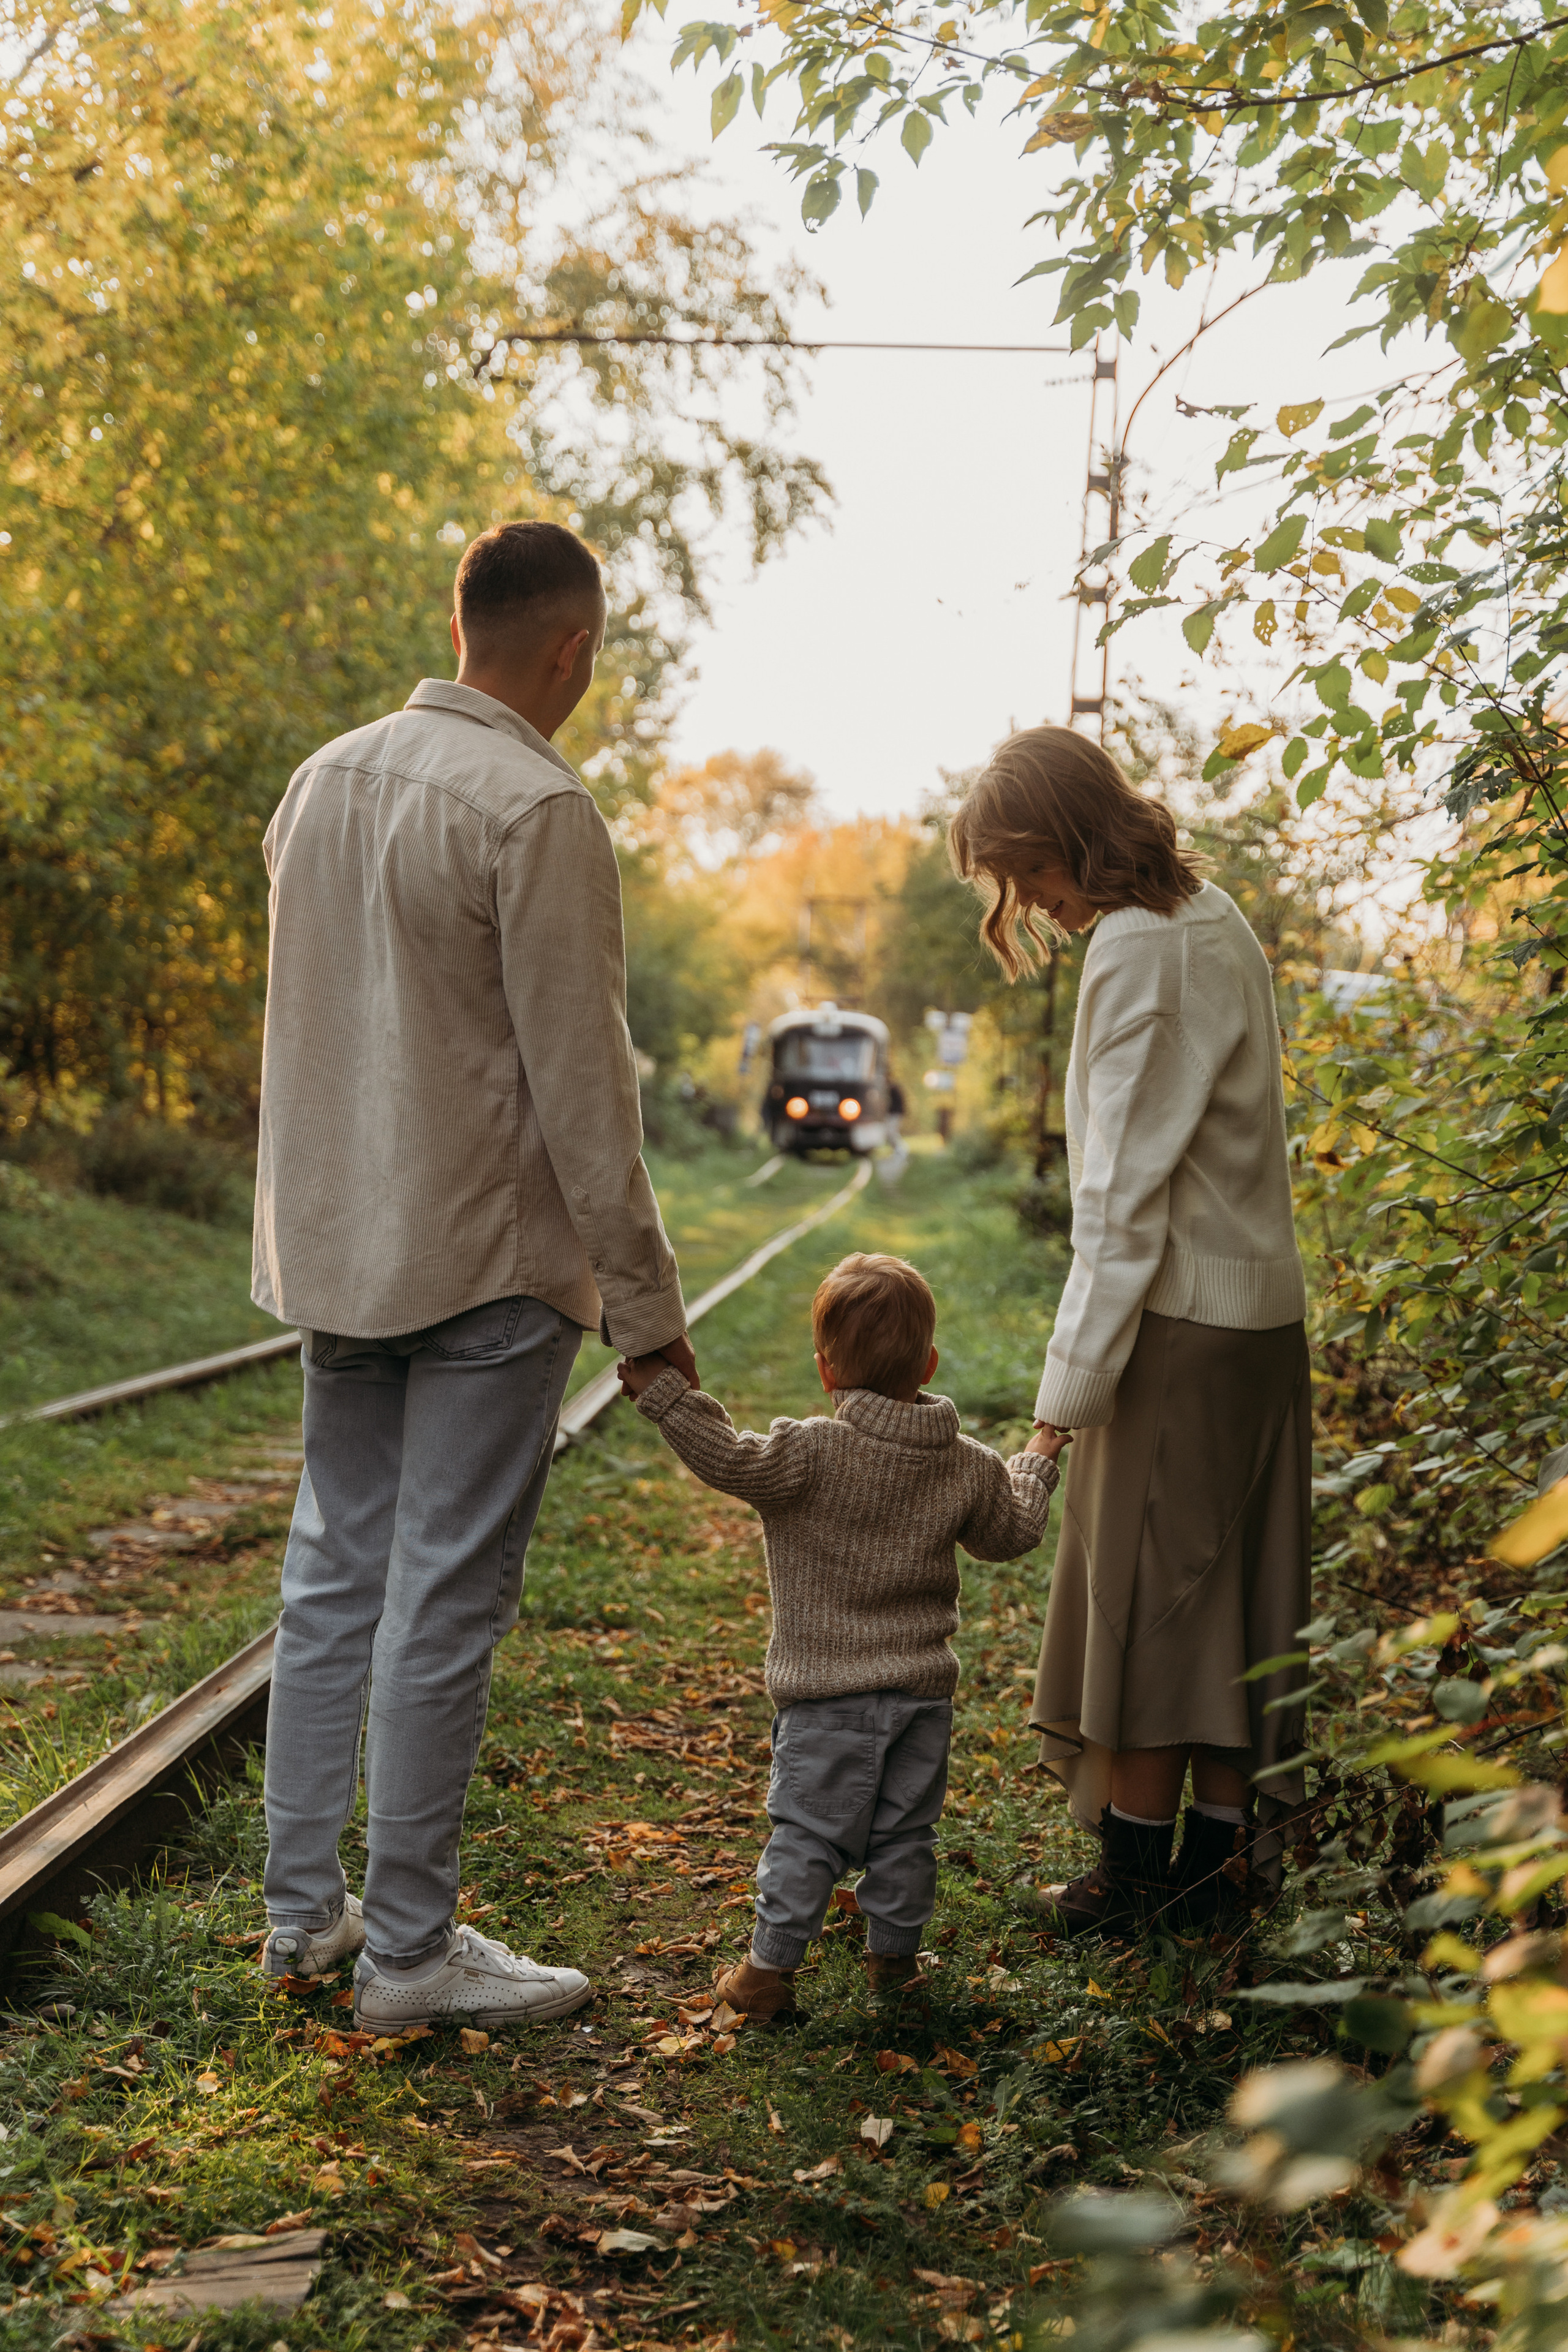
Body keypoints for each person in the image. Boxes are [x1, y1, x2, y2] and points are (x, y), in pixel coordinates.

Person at [253, 520, 696, 2030]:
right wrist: (644, 1308)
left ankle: (302, 1919)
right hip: (488, 1261)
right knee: (439, 1602)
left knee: (329, 1581)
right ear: (569, 646)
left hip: (341, 1249)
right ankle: (408, 1956)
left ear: (465, 625)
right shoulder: (536, 802)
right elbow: (585, 1088)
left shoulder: (320, 782)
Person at [949, 726, 1309, 1937]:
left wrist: (1064, 1399)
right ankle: (1218, 1872)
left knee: (1148, 1607)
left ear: (1077, 839)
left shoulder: (1139, 953)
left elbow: (1119, 1203)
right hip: (1253, 1323)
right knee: (1227, 1605)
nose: (1031, 903)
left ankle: (1139, 1881)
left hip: (1177, 1327)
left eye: (1030, 870)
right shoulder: (1213, 919)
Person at [617, 1253, 1066, 2022]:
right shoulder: (967, 1466)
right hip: (922, 1698)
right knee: (905, 1836)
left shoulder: (810, 1452)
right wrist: (1038, 1457)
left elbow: (724, 1455)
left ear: (826, 1371)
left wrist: (666, 1396)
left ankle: (765, 1975)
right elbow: (1012, 1532)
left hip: (827, 1701)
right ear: (928, 1361)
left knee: (808, 1836)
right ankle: (895, 1963)